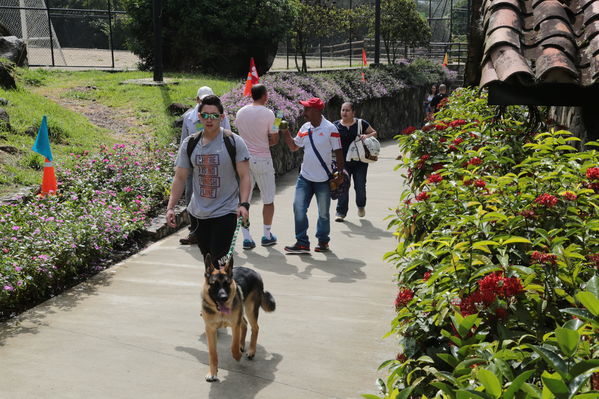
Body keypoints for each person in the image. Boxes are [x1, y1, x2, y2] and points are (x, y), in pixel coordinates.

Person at [166, 95, 251, 261]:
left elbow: (245, 176)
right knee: (209, 260)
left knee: (219, 258)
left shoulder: (234, 142)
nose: (209, 119)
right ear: (199, 117)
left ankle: (224, 284)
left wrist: (244, 204)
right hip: (198, 214)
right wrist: (171, 207)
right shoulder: (190, 144)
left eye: (214, 115)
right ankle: (223, 285)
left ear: (221, 117)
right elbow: (180, 177)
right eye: (205, 115)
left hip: (226, 212)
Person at [282, 97, 344, 254]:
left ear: (316, 111)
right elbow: (294, 147)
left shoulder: (330, 129)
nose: (304, 112)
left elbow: (339, 152)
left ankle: (323, 241)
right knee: (298, 208)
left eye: (307, 109)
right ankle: (302, 242)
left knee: (323, 213)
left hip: (324, 180)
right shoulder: (305, 127)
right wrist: (286, 133)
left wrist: (340, 173)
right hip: (305, 178)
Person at [179, 86, 232, 245]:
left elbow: (228, 138)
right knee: (191, 197)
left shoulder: (221, 117)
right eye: (202, 100)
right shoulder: (189, 117)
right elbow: (184, 141)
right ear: (197, 101)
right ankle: (195, 232)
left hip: (214, 163)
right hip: (194, 165)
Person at [234, 84, 279, 249]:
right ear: (265, 96)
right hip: (263, 159)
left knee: (244, 200)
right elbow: (274, 140)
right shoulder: (269, 114)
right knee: (268, 199)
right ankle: (267, 235)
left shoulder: (240, 112)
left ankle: (246, 237)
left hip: (244, 160)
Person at [333, 102, 377, 222]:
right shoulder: (335, 125)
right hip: (343, 162)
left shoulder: (360, 123)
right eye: (342, 110)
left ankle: (361, 205)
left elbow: (374, 133)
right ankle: (340, 212)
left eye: (347, 110)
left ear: (353, 112)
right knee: (342, 186)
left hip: (360, 162)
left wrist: (366, 136)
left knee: (360, 186)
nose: (344, 113)